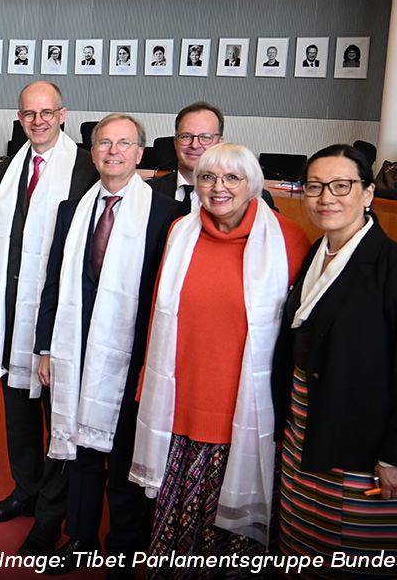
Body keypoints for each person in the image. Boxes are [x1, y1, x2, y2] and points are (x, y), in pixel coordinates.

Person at [131, 143, 311, 579]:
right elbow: (158, 312)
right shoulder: (180, 232)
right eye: (209, 177)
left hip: (246, 413)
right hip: (180, 405)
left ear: (253, 186)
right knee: (178, 530)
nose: (218, 188)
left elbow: (296, 334)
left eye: (232, 178)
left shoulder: (287, 239)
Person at [273, 145, 397, 577]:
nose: (326, 197)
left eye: (341, 186)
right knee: (305, 543)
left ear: (367, 194)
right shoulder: (314, 254)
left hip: (362, 436)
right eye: (314, 187)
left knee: (359, 556)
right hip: (305, 423)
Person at [33, 114, 184, 578]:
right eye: (104, 143)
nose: (113, 151)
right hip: (74, 349)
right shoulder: (72, 210)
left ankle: (124, 548)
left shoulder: (166, 215)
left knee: (121, 457)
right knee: (79, 450)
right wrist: (44, 347)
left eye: (124, 144)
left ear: (140, 154)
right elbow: (54, 283)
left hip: (129, 359)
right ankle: (80, 538)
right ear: (93, 151)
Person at [0, 81, 98, 557]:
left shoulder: (85, 168)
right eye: (30, 114)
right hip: (9, 316)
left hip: (57, 319)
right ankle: (25, 490)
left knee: (57, 419)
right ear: (20, 117)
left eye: (47, 113)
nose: (39, 121)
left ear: (63, 114)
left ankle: (51, 513)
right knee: (17, 413)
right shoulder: (9, 167)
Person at [150, 102, 276, 214]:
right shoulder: (148, 193)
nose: (194, 145)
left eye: (205, 137)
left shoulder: (253, 198)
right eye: (186, 136)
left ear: (219, 142)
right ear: (175, 142)